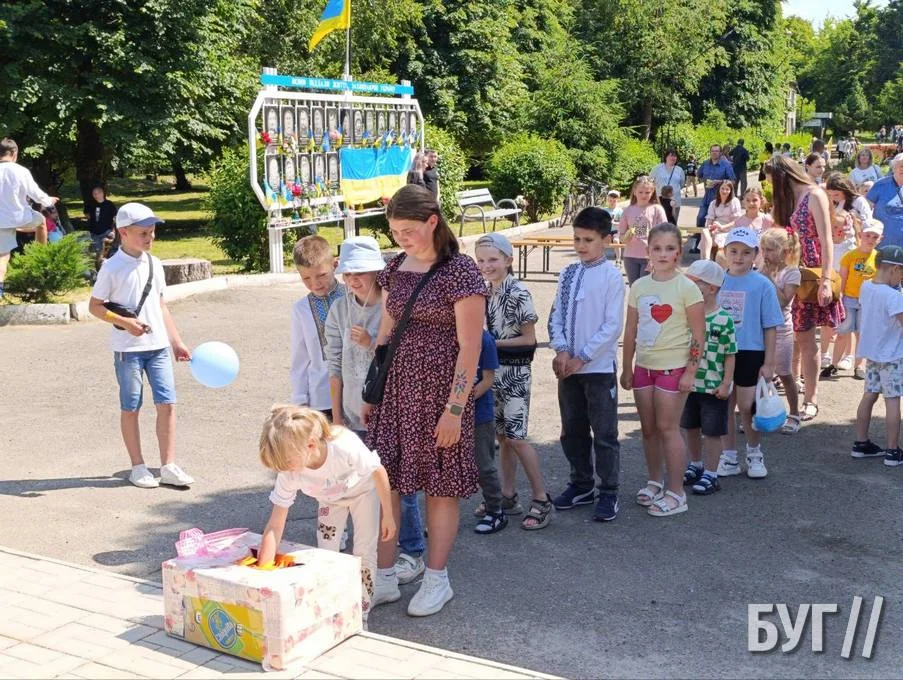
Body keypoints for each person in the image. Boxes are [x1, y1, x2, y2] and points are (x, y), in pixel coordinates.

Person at [364, 184, 485, 617]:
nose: (402, 239)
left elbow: (470, 347)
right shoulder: (396, 267)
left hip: (441, 396)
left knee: (440, 487)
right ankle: (383, 578)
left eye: (409, 230)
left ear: (433, 221)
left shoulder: (460, 271)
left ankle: (437, 580)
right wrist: (373, 391)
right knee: (387, 483)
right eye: (395, 232)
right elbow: (386, 332)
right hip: (397, 392)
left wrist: (455, 410)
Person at [256, 405, 395, 627]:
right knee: (326, 554)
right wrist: (261, 576)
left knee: (364, 552)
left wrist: (388, 514)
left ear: (310, 445)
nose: (284, 469)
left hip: (363, 493)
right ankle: (331, 607)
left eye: (287, 462)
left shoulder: (343, 446)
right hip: (330, 500)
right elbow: (275, 524)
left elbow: (377, 471)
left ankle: (361, 614)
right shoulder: (288, 471)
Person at [87, 202, 193, 488]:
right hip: (128, 350)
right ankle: (138, 466)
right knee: (131, 407)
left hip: (158, 347)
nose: (150, 237)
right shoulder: (112, 267)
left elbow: (161, 306)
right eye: (143, 233)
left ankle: (168, 465)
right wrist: (125, 323)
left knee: (167, 404)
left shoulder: (154, 264)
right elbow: (95, 306)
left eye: (152, 231)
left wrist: (176, 341)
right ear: (124, 232)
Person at [621, 223, 704, 517]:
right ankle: (655, 481)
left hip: (674, 369)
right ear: (648, 251)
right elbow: (631, 329)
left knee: (668, 429)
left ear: (679, 252)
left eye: (669, 248)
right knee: (649, 429)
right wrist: (628, 367)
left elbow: (698, 335)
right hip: (644, 368)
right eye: (657, 248)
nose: (663, 253)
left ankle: (676, 492)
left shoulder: (687, 288)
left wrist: (690, 372)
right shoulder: (639, 286)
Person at [549, 208, 625, 521]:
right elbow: (556, 315)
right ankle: (581, 484)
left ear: (605, 240)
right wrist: (562, 351)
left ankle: (609, 491)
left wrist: (583, 356)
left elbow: (612, 326)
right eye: (577, 239)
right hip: (568, 369)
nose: (581, 245)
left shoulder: (612, 276)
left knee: (604, 433)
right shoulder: (568, 273)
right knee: (573, 430)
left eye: (588, 240)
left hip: (597, 370)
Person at [475, 233, 552, 530]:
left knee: (517, 437)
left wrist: (490, 344)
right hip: (493, 373)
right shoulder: (486, 291)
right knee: (503, 437)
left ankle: (541, 499)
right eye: (481, 260)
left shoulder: (518, 292)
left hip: (515, 373)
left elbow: (529, 339)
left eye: (492, 259)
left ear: (508, 260)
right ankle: (508, 495)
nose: (486, 265)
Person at [765, 155, 841, 422]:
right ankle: (795, 386)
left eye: (773, 180)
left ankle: (811, 399)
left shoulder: (814, 194)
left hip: (810, 273)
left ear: (783, 175)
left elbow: (826, 239)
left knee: (807, 339)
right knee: (792, 335)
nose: (772, 185)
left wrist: (826, 280)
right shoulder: (787, 199)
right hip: (788, 270)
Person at [716, 228, 783, 479]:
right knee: (723, 405)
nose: (739, 257)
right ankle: (729, 456)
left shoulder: (763, 284)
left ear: (756, 254)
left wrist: (770, 362)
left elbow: (770, 325)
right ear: (725, 252)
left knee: (747, 406)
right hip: (720, 352)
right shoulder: (717, 281)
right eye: (733, 251)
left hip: (751, 351)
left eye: (746, 252)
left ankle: (754, 453)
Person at [680, 260, 736, 495]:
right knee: (689, 427)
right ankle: (696, 464)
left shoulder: (724, 319)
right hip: (687, 384)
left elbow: (730, 354)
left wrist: (726, 383)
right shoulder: (685, 315)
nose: (687, 287)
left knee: (712, 432)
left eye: (694, 283)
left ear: (711, 288)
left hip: (713, 386)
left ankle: (712, 474)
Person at [850, 245, 903, 467]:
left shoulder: (866, 286)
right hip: (892, 356)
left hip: (871, 353)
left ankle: (861, 443)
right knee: (893, 400)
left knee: (869, 395)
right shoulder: (894, 296)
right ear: (894, 269)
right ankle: (893, 451)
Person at [290, 235, 345, 415]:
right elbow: (300, 357)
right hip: (321, 397)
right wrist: (300, 400)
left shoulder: (352, 296)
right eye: (306, 278)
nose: (315, 283)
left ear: (334, 265)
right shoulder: (301, 309)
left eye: (321, 275)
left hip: (357, 392)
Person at [827, 219, 884, 380]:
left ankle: (859, 366)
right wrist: (839, 296)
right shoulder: (850, 256)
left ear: (880, 239)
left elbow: (879, 281)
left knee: (861, 334)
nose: (870, 240)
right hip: (849, 300)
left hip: (868, 302)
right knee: (842, 332)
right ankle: (834, 364)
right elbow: (843, 278)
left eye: (875, 237)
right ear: (860, 235)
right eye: (868, 235)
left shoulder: (879, 258)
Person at [759, 228, 802, 434]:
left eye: (770, 250)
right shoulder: (761, 269)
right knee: (759, 373)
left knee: (784, 374)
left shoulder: (792, 272)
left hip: (782, 330)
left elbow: (784, 301)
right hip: (761, 330)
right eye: (763, 249)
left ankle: (794, 414)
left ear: (785, 251)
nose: (765, 254)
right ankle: (761, 412)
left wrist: (767, 277)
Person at [0, 138, 55, 298]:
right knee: (42, 222)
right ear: (14, 153)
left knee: (2, 256)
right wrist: (48, 201)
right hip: (20, 217)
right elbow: (35, 193)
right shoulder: (20, 171)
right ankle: (40, 257)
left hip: (1, 221)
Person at [470, 329, 505, 534]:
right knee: (446, 465)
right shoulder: (444, 335)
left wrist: (460, 402)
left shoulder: (484, 339)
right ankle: (444, 515)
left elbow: (487, 380)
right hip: (448, 414)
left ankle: (495, 510)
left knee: (484, 465)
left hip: (479, 415)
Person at [618, 176, 667, 285]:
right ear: (634, 192)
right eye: (640, 192)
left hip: (650, 256)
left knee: (646, 288)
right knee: (634, 287)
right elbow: (621, 235)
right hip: (630, 256)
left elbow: (665, 232)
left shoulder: (657, 209)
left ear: (652, 192)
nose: (644, 195)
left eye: (647, 192)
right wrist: (626, 237)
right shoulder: (628, 210)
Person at [696, 145, 737, 233]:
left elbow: (733, 181)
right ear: (710, 152)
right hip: (707, 196)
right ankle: (698, 237)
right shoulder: (705, 163)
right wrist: (704, 181)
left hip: (720, 198)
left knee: (715, 221)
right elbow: (699, 174)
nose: (714, 153)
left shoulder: (726, 165)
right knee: (700, 217)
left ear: (720, 153)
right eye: (712, 151)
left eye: (717, 151)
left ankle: (713, 237)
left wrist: (719, 182)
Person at [866, 153, 903, 248]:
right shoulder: (880, 185)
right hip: (883, 243)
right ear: (894, 168)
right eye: (901, 166)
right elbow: (866, 208)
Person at [702, 179, 743, 261]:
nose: (724, 191)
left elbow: (737, 220)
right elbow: (710, 218)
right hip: (716, 227)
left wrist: (723, 227)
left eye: (727, 189)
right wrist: (710, 227)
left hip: (729, 227)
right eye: (722, 189)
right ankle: (706, 259)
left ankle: (710, 260)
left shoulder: (734, 201)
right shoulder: (714, 203)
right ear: (719, 189)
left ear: (731, 191)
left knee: (712, 238)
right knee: (704, 232)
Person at [650, 149, 686, 221]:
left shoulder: (679, 170)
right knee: (659, 222)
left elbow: (682, 184)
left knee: (673, 222)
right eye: (671, 155)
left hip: (674, 200)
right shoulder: (657, 168)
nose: (673, 158)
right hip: (660, 200)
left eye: (675, 156)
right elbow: (650, 181)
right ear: (666, 157)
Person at [85, 184, 117, 257]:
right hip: (94, 233)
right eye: (94, 194)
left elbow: (115, 218)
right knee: (98, 253)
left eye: (97, 193)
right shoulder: (91, 204)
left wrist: (113, 231)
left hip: (106, 232)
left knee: (109, 252)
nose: (95, 195)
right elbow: (86, 214)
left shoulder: (109, 204)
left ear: (102, 193)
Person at [603, 190, 624, 265]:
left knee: (616, 240)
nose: (612, 202)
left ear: (617, 200)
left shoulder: (619, 210)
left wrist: (614, 223)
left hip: (616, 231)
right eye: (610, 200)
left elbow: (623, 224)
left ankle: (618, 259)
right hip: (607, 231)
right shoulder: (605, 210)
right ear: (608, 200)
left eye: (614, 201)